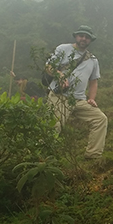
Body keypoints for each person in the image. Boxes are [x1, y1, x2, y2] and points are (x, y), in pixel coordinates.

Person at [44, 26, 107, 159]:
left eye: (87, 37)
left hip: (79, 100)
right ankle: (42, 157)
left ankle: (93, 155)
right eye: (81, 36)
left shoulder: (93, 60)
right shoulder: (63, 49)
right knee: (54, 126)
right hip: (59, 96)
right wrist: (59, 74)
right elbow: (49, 66)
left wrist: (92, 98)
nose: (84, 39)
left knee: (100, 119)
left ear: (90, 40)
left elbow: (93, 82)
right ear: (76, 36)